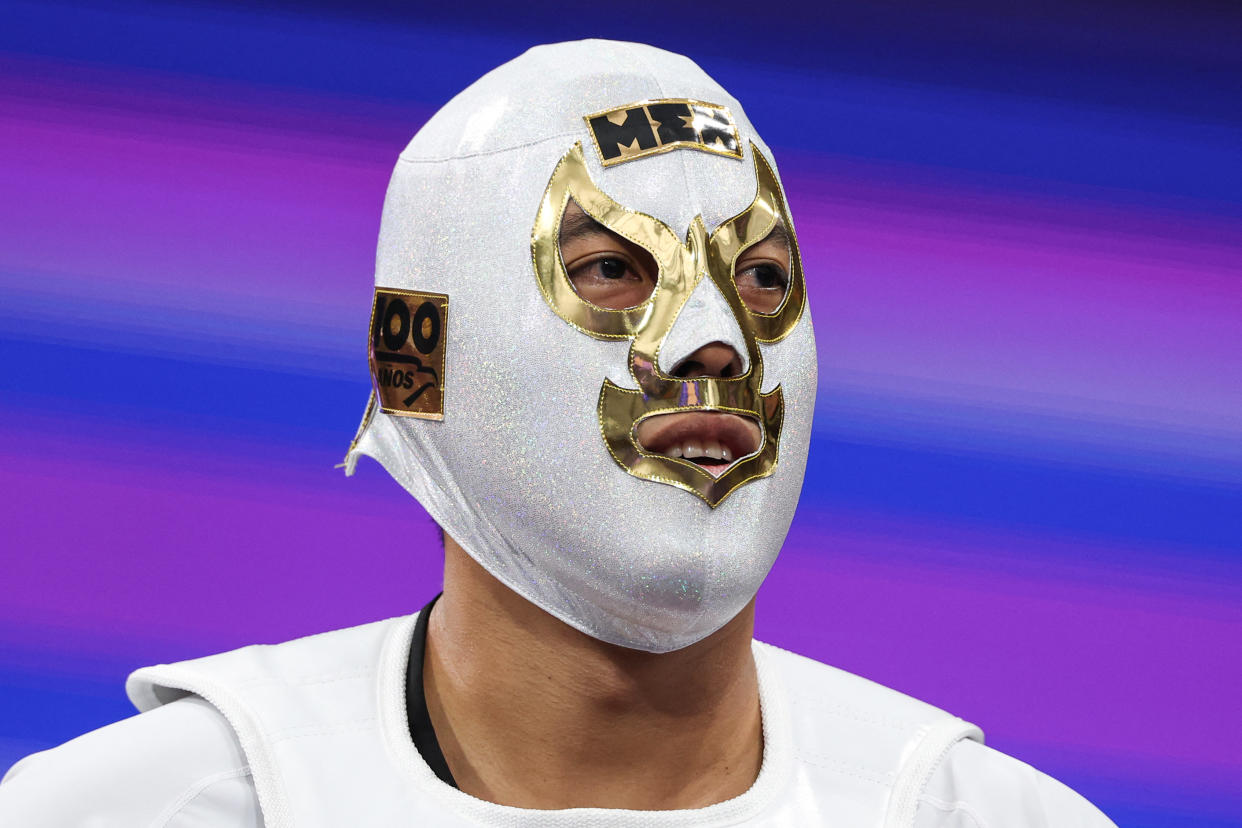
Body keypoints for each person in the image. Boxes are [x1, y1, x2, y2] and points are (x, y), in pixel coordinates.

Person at [0, 40, 1117, 827]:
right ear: (414, 354)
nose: (715, 344)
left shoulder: (980, 817)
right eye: (611, 271)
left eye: (762, 278)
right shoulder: (140, 812)